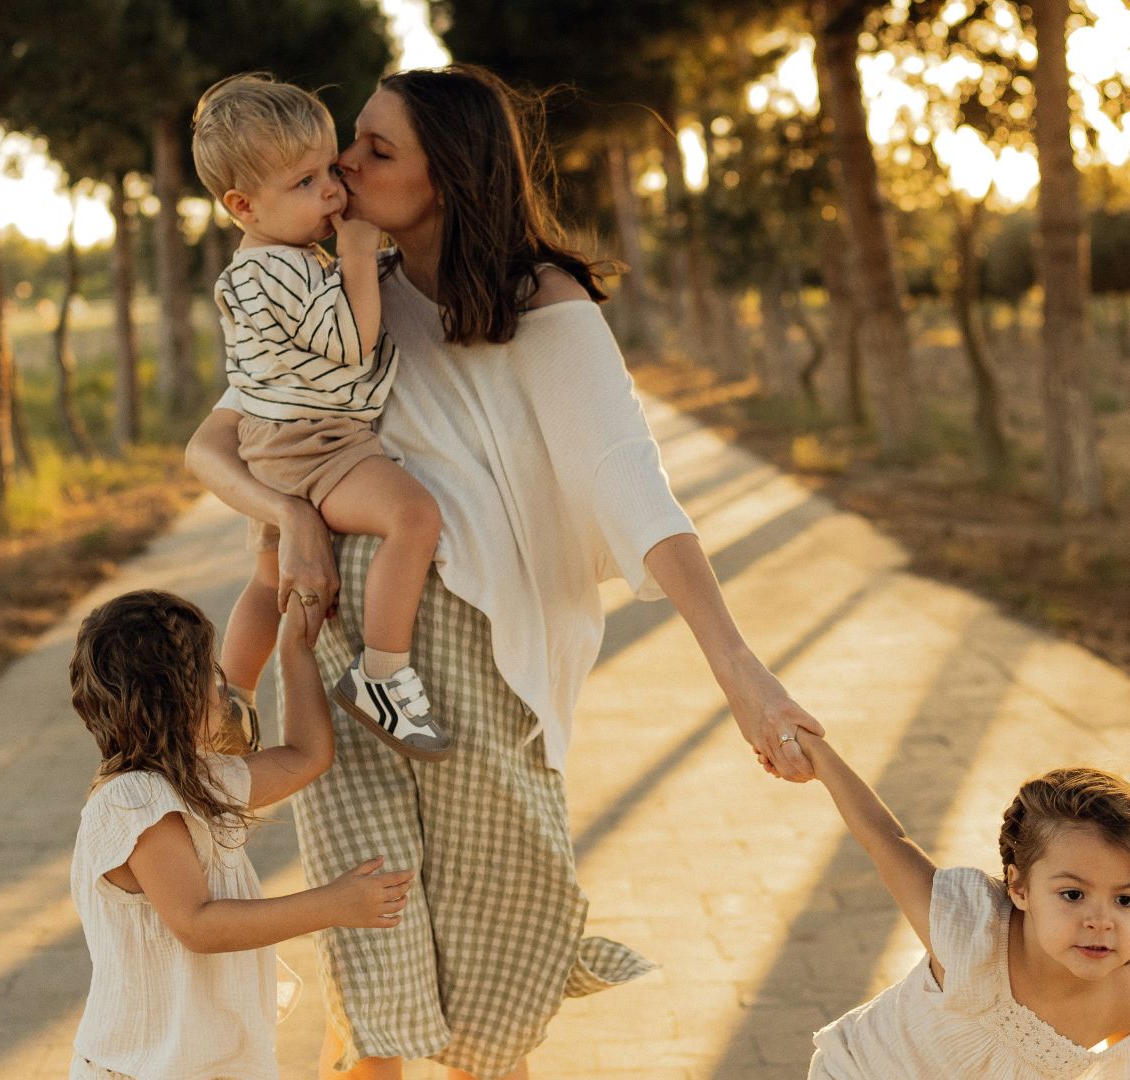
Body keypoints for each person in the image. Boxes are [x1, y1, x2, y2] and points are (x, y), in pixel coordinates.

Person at [185, 64, 824, 1080]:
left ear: (451, 176)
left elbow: (631, 485)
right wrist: (289, 517)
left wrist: (740, 670)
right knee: (371, 948)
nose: (345, 168)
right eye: (347, 143)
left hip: (476, 671)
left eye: (376, 151)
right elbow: (216, 442)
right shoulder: (355, 298)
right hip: (342, 650)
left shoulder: (540, 300)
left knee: (491, 961)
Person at [191, 72, 449, 762]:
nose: (333, 192)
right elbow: (351, 339)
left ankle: (229, 697)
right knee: (414, 517)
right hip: (316, 443)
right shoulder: (274, 268)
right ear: (244, 205)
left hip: (274, 445)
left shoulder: (274, 261)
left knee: (270, 581)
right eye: (305, 184)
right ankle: (383, 674)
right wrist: (359, 254)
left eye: (329, 170)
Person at [67, 589, 415, 1080]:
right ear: (175, 697)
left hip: (209, 1064)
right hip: (147, 1069)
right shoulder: (137, 801)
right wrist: (333, 905)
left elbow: (306, 756)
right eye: (206, 669)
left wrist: (295, 645)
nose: (220, 680)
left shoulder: (195, 780)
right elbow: (199, 924)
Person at [782, 733, 1130, 1080]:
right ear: (1019, 886)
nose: (1100, 922)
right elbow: (884, 837)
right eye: (1073, 895)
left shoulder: (1123, 997)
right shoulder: (971, 931)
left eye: (1125, 900)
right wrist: (816, 753)